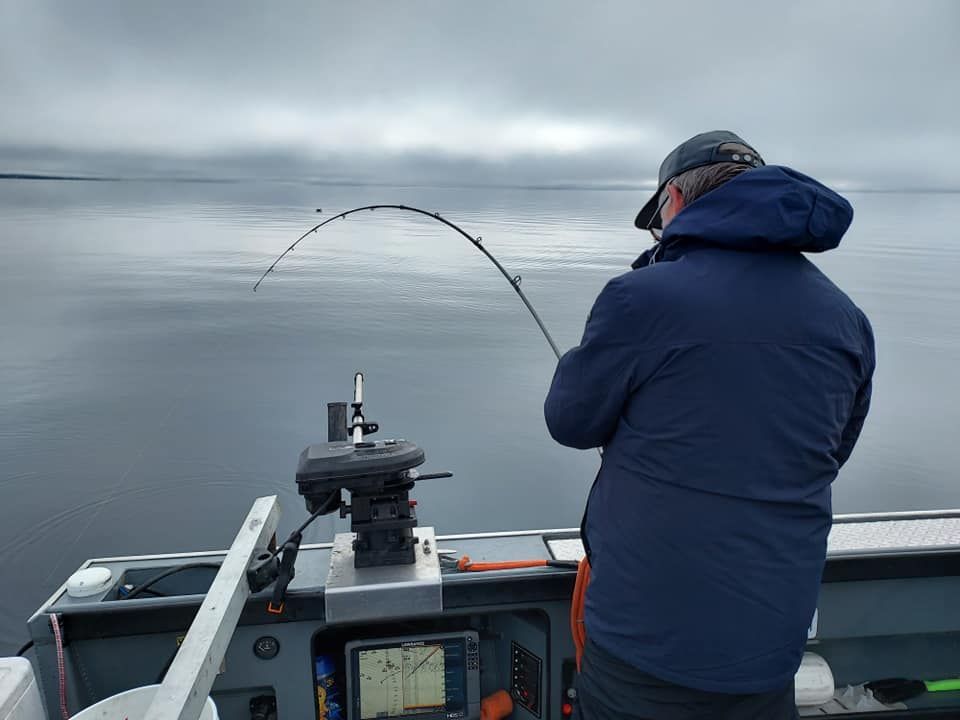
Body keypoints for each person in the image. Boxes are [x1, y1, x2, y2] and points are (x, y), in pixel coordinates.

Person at [544, 131, 875, 720]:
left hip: (647, 642)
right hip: (772, 644)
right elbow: (831, 450)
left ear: (674, 198)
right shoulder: (846, 318)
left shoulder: (640, 299)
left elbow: (570, 421)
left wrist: (586, 354)